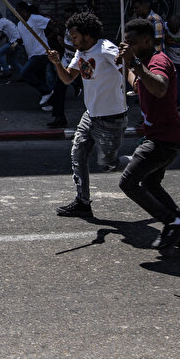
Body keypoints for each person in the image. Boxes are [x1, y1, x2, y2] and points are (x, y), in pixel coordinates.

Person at [116, 19, 180, 249]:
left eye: (132, 42)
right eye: (126, 42)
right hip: (160, 135)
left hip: (163, 138)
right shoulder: (142, 62)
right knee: (151, 185)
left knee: (128, 182)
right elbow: (137, 83)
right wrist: (127, 64)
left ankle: (173, 222)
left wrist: (133, 61)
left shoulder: (158, 60)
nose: (129, 45)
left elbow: (159, 88)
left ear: (148, 40)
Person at [47, 12, 128, 217]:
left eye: (74, 37)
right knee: (78, 154)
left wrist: (135, 80)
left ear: (87, 35)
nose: (71, 42)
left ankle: (142, 162)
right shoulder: (81, 52)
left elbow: (128, 68)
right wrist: (57, 62)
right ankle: (83, 201)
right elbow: (67, 79)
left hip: (111, 118)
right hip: (90, 114)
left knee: (108, 165)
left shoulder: (105, 49)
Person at [14, 1, 53, 106]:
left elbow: (51, 23)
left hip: (42, 53)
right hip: (32, 55)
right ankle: (49, 104)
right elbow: (22, 38)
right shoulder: (20, 24)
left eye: (18, 11)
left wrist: (51, 37)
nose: (17, 13)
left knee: (25, 73)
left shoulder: (35, 19)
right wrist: (16, 43)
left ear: (24, 11)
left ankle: (48, 91)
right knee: (41, 79)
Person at [0, 10, 23, 80]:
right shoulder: (5, 21)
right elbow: (4, 33)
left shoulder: (1, 21)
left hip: (15, 43)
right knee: (13, 60)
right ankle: (24, 75)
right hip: (17, 42)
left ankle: (6, 72)